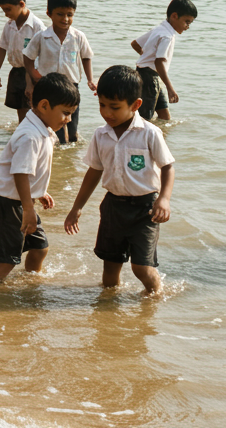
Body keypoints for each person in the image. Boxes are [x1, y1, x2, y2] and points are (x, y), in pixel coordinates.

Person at [64, 65, 176, 295]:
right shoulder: (100, 134)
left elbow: (167, 166)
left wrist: (163, 199)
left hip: (145, 209)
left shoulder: (149, 133)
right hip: (113, 207)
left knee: (141, 268)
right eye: (102, 105)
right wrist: (77, 207)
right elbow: (94, 172)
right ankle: (109, 315)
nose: (107, 113)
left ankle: (155, 300)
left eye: (114, 107)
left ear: (135, 105)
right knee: (110, 268)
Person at [0, 73, 80, 283]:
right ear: (44, 105)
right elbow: (19, 173)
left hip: (22, 200)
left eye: (71, 113)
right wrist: (28, 208)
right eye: (65, 113)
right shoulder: (30, 135)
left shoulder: (42, 128)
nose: (69, 119)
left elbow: (30, 169)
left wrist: (40, 191)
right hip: (7, 203)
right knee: (8, 258)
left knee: (40, 247)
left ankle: (30, 283)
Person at [22, 0, 95, 144]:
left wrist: (90, 79)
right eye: (60, 14)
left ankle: (72, 146)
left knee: (72, 123)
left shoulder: (78, 36)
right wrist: (34, 76)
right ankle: (55, 149)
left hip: (71, 86)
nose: (65, 19)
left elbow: (86, 57)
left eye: (70, 14)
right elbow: (28, 57)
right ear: (49, 13)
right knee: (53, 125)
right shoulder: (42, 36)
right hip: (49, 86)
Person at [130, 0, 198, 122]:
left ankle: (161, 139)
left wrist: (146, 57)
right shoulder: (167, 36)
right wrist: (170, 88)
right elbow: (159, 62)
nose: (187, 26)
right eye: (187, 22)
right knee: (145, 118)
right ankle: (139, 139)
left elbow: (135, 44)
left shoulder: (159, 29)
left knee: (165, 117)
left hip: (147, 74)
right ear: (174, 16)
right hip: (150, 79)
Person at [0, 0, 48, 123]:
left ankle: (35, 133)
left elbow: (42, 56)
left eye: (8, 9)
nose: (6, 14)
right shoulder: (9, 25)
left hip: (32, 72)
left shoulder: (37, 26)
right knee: (20, 106)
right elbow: (2, 48)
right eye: (3, 10)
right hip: (16, 71)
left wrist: (32, 81)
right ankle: (22, 131)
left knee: (33, 107)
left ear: (21, 4)